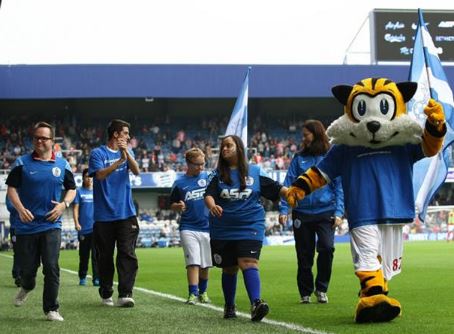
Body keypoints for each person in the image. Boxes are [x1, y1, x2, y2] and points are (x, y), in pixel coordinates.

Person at [204, 135, 288, 322]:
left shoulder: (255, 172)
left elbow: (277, 188)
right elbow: (208, 195)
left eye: (228, 146)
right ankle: (229, 306)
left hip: (250, 225)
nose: (224, 149)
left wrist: (292, 193)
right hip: (223, 228)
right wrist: (212, 206)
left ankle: (256, 303)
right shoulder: (217, 174)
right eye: (223, 146)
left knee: (248, 262)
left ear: (239, 148)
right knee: (229, 268)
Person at [6, 121, 76, 322]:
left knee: (51, 266)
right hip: (26, 226)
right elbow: (11, 188)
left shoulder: (62, 164)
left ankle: (51, 309)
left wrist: (64, 205)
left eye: (44, 138)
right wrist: (20, 209)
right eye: (36, 137)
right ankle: (27, 286)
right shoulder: (21, 163)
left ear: (53, 142)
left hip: (51, 224)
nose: (39, 141)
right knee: (28, 270)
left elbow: (72, 188)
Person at [278, 120, 344, 304]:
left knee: (327, 248)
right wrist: (284, 209)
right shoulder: (299, 158)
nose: (303, 138)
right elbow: (289, 185)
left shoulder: (330, 156)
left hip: (326, 212)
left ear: (316, 134)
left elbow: (339, 187)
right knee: (304, 254)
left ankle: (321, 288)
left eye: (306, 134)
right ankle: (305, 292)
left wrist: (339, 212)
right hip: (302, 213)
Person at [88, 119, 140, 307]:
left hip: (126, 213)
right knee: (105, 256)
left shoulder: (127, 151)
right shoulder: (97, 153)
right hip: (103, 216)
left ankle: (125, 293)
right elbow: (100, 175)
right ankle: (106, 292)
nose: (128, 136)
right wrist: (119, 161)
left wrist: (125, 153)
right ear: (116, 134)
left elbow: (136, 171)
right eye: (125, 133)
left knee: (127, 253)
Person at [170, 148, 212, 305]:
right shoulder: (179, 183)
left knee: (206, 263)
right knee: (193, 261)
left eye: (203, 164)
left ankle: (203, 292)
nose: (201, 167)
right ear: (188, 163)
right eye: (198, 164)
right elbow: (171, 204)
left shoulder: (209, 178)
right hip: (188, 227)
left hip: (208, 227)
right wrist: (177, 206)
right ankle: (193, 293)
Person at [73, 168, 99, 286]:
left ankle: (96, 278)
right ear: (83, 178)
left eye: (91, 176)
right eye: (87, 176)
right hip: (83, 229)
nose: (89, 178)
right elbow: (75, 209)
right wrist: (76, 223)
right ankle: (82, 276)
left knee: (96, 255)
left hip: (96, 229)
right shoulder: (79, 192)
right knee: (84, 255)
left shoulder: (97, 191)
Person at [5, 195, 21, 287]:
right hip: (15, 229)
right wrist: (22, 207)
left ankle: (23, 274)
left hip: (28, 228)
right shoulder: (10, 193)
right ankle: (17, 274)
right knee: (17, 251)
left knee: (27, 252)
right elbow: (10, 207)